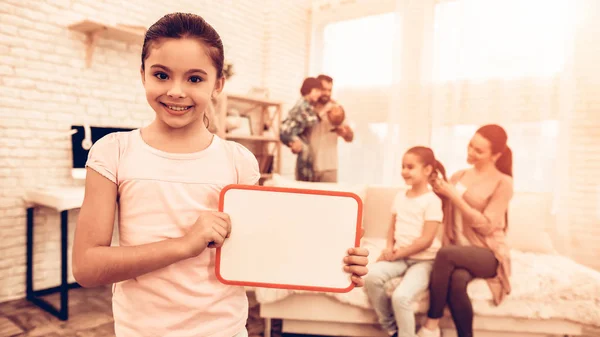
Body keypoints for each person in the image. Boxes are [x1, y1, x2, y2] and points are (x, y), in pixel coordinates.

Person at [71, 13, 369, 337]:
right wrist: (185, 245)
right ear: (143, 74)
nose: (176, 91)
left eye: (195, 79)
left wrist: (335, 260)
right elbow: (87, 267)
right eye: (161, 75)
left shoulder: (239, 161)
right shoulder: (112, 152)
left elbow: (259, 253)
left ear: (218, 84)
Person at [417, 124, 514, 337]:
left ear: (495, 155)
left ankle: (431, 326)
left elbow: (488, 225)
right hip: (460, 252)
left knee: (445, 254)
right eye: (471, 145)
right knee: (457, 281)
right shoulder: (459, 176)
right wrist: (437, 188)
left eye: (479, 151)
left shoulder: (503, 183)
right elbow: (444, 208)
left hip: (488, 253)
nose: (471, 152)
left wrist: (455, 197)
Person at [365, 146, 447, 337]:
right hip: (400, 257)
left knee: (401, 297)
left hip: (424, 261)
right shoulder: (400, 196)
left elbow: (426, 240)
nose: (404, 171)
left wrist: (395, 254)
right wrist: (388, 248)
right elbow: (392, 228)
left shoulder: (432, 201)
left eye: (410, 167)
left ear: (427, 170)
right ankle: (391, 328)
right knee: (371, 277)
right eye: (403, 166)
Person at [307, 74, 354, 183]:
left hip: (329, 167)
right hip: (307, 166)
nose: (327, 93)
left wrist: (344, 133)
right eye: (324, 89)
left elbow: (350, 137)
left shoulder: (337, 109)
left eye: (330, 90)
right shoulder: (306, 108)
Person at [279, 77, 323, 181]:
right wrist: (319, 115)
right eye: (316, 91)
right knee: (304, 149)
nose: (319, 94)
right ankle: (303, 175)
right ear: (308, 90)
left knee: (307, 149)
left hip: (293, 132)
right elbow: (307, 120)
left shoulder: (307, 104)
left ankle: (307, 173)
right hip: (287, 132)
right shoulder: (302, 104)